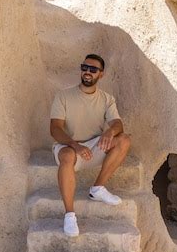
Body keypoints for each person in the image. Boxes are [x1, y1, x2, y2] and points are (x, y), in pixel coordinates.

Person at [50, 54, 131, 237]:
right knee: (67, 156)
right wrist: (74, 146)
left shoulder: (106, 99)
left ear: (100, 74)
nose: (87, 72)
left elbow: (118, 124)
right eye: (85, 67)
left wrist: (109, 132)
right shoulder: (63, 96)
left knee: (124, 139)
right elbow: (55, 129)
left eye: (93, 69)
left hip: (93, 147)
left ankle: (97, 188)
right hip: (68, 146)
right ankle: (70, 215)